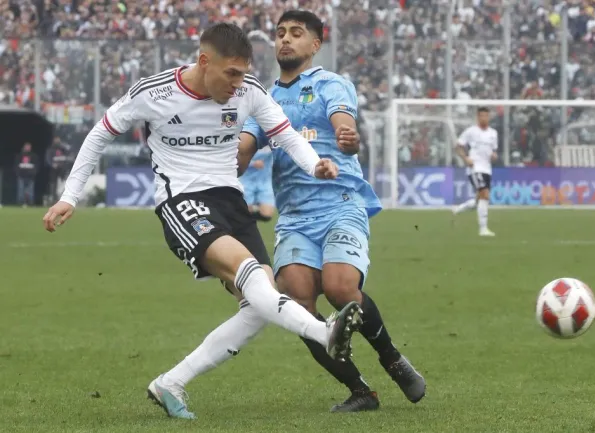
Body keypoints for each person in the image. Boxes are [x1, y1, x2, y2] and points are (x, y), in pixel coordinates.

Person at [41, 23, 362, 420]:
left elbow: (286, 135)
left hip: (231, 201)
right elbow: (99, 134)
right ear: (204, 61)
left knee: (258, 306)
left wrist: (316, 166)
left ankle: (170, 382)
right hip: (182, 201)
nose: (237, 83)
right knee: (251, 276)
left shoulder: (249, 92)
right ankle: (324, 332)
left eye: (243, 73)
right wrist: (70, 196)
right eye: (230, 73)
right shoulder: (155, 92)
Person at [237, 10, 426, 412]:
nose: (285, 40)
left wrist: (348, 137)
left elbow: (345, 127)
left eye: (296, 33)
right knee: (297, 304)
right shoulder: (263, 99)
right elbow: (242, 152)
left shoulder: (330, 83)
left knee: (341, 289)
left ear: (315, 45)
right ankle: (361, 391)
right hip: (294, 216)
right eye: (280, 33)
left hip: (339, 203)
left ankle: (391, 358)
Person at [452, 107, 498, 236]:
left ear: (488, 117)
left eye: (486, 116)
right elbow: (458, 146)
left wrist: (494, 156)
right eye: (481, 116)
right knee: (485, 194)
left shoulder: (493, 133)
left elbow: (494, 151)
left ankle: (458, 209)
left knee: (478, 200)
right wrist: (466, 158)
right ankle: (483, 229)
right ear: (477, 117)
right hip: (475, 168)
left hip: (487, 169)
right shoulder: (471, 131)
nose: (484, 118)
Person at [240, 146, 275, 221]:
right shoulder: (247, 142)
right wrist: (252, 163)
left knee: (267, 215)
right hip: (246, 181)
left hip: (264, 182)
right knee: (244, 212)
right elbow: (236, 160)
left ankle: (254, 207)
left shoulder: (271, 142)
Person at [15, 142, 39, 206]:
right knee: (21, 190)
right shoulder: (19, 156)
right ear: (24, 147)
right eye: (27, 147)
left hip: (30, 176)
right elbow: (16, 166)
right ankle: (20, 203)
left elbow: (36, 166)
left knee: (30, 191)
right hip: (21, 176)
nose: (28, 148)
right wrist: (18, 174)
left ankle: (30, 203)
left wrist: (33, 174)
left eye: (29, 147)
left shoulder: (34, 156)